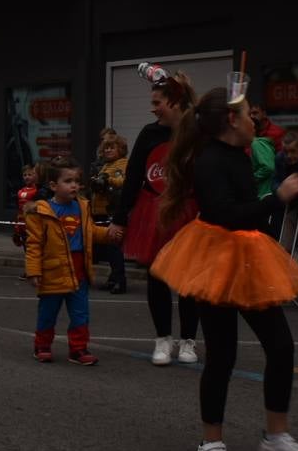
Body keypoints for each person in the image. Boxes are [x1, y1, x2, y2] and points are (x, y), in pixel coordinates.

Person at [151, 87, 298, 451]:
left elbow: (246, 213)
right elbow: (226, 214)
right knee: (222, 354)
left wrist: (273, 240)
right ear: (230, 120)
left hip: (249, 257)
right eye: (246, 114)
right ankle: (210, 442)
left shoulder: (241, 154)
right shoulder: (209, 160)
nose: (253, 120)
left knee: (281, 346)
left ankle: (276, 436)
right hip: (216, 261)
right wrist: (277, 198)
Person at [109, 66, 200, 366]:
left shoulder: (196, 132)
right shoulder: (149, 133)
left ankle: (188, 340)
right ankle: (163, 339)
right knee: (157, 275)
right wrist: (120, 218)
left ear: (175, 101)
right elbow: (134, 176)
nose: (153, 108)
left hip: (189, 210)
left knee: (188, 279)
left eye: (157, 102)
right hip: (155, 211)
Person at [25, 157, 111, 365]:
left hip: (79, 269)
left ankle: (78, 349)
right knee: (48, 313)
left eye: (77, 181)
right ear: (53, 185)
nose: (74, 185)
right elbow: (34, 244)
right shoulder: (41, 211)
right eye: (68, 181)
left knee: (80, 313)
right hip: (53, 270)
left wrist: (109, 234)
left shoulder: (82, 207)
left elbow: (90, 232)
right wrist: (33, 270)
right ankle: (42, 345)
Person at [94, 134, 128, 294]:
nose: (107, 150)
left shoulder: (122, 163)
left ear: (120, 149)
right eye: (106, 148)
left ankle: (120, 281)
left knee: (114, 247)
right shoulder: (106, 165)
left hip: (112, 211)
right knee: (108, 248)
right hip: (102, 211)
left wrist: (107, 180)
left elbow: (123, 182)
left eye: (111, 147)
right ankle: (113, 278)